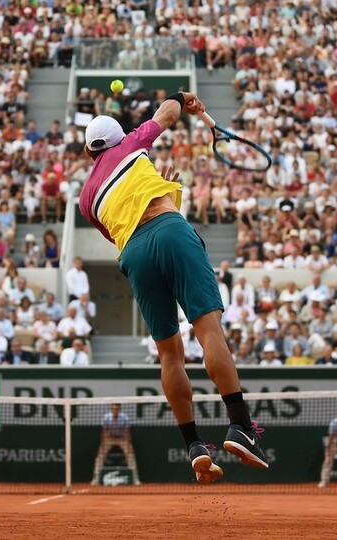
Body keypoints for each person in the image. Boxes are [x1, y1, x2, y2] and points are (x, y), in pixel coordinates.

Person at [79, 92, 266, 483]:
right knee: (208, 331)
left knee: (169, 354)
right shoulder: (133, 144)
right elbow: (167, 112)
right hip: (170, 229)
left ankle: (194, 445)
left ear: (87, 152)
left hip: (134, 254)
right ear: (119, 138)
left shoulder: (86, 199)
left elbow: (123, 225)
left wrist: (161, 188)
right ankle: (241, 426)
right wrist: (183, 98)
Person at [90, 404, 141, 486]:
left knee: (131, 456)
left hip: (122, 438)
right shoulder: (107, 417)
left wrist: (129, 445)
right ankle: (95, 479)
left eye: (116, 409)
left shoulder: (124, 417)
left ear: (119, 410)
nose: (115, 411)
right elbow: (104, 431)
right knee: (100, 456)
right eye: (113, 409)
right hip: (109, 438)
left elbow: (127, 431)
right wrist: (103, 444)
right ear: (111, 410)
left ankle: (135, 479)